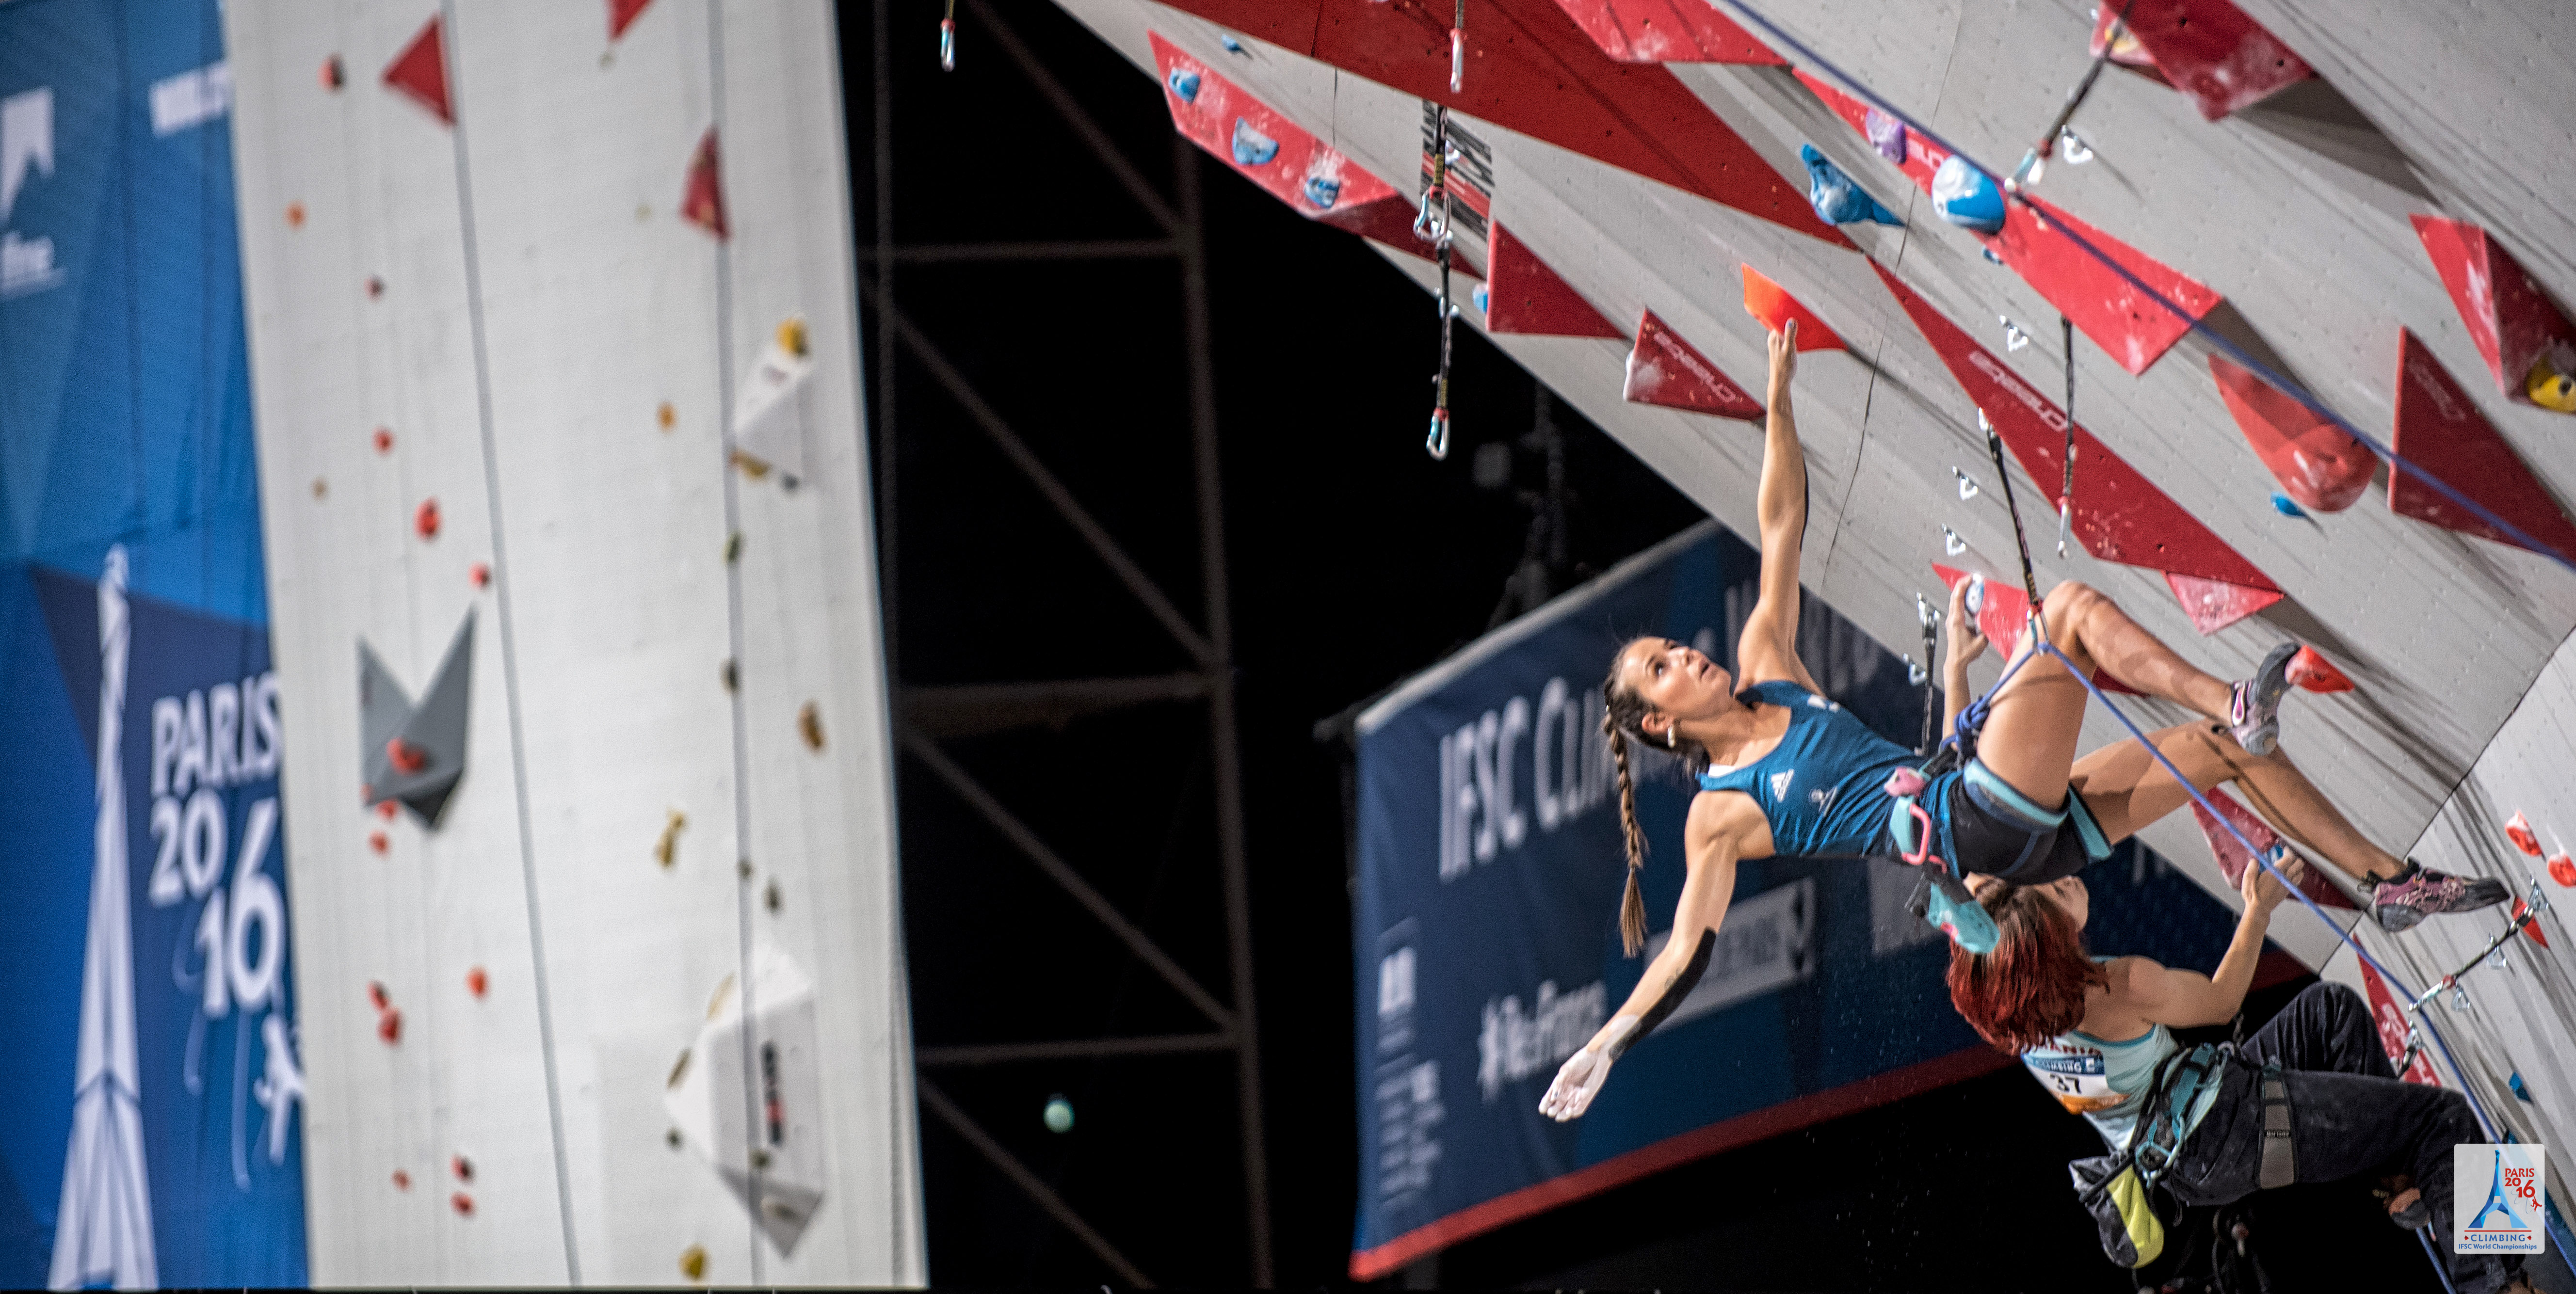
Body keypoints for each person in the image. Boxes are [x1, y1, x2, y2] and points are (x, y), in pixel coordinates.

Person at [1538, 319, 2507, 1123]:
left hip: (2007, 840)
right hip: (1973, 830)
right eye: (1661, 669)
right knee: (2071, 617)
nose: (1685, 655)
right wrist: (1605, 1042)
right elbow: (1683, 949)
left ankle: (2387, 883)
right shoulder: (1718, 813)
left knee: (2218, 763)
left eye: (1671, 646)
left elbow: (1781, 519)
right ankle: (2233, 702)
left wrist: (1777, 383)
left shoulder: (1767, 661)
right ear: (1660, 725)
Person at [1948, 863, 2532, 1294]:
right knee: (2442, 1115)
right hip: (2225, 1127)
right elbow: (2222, 1000)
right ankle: (2500, 1282)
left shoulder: (2013, 1013)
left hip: (2186, 1141)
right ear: (2047, 940)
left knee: (2328, 1013)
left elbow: (1975, 881)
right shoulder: (2116, 985)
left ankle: (2397, 1179)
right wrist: (2258, 905)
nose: (2066, 876)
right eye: (2054, 890)